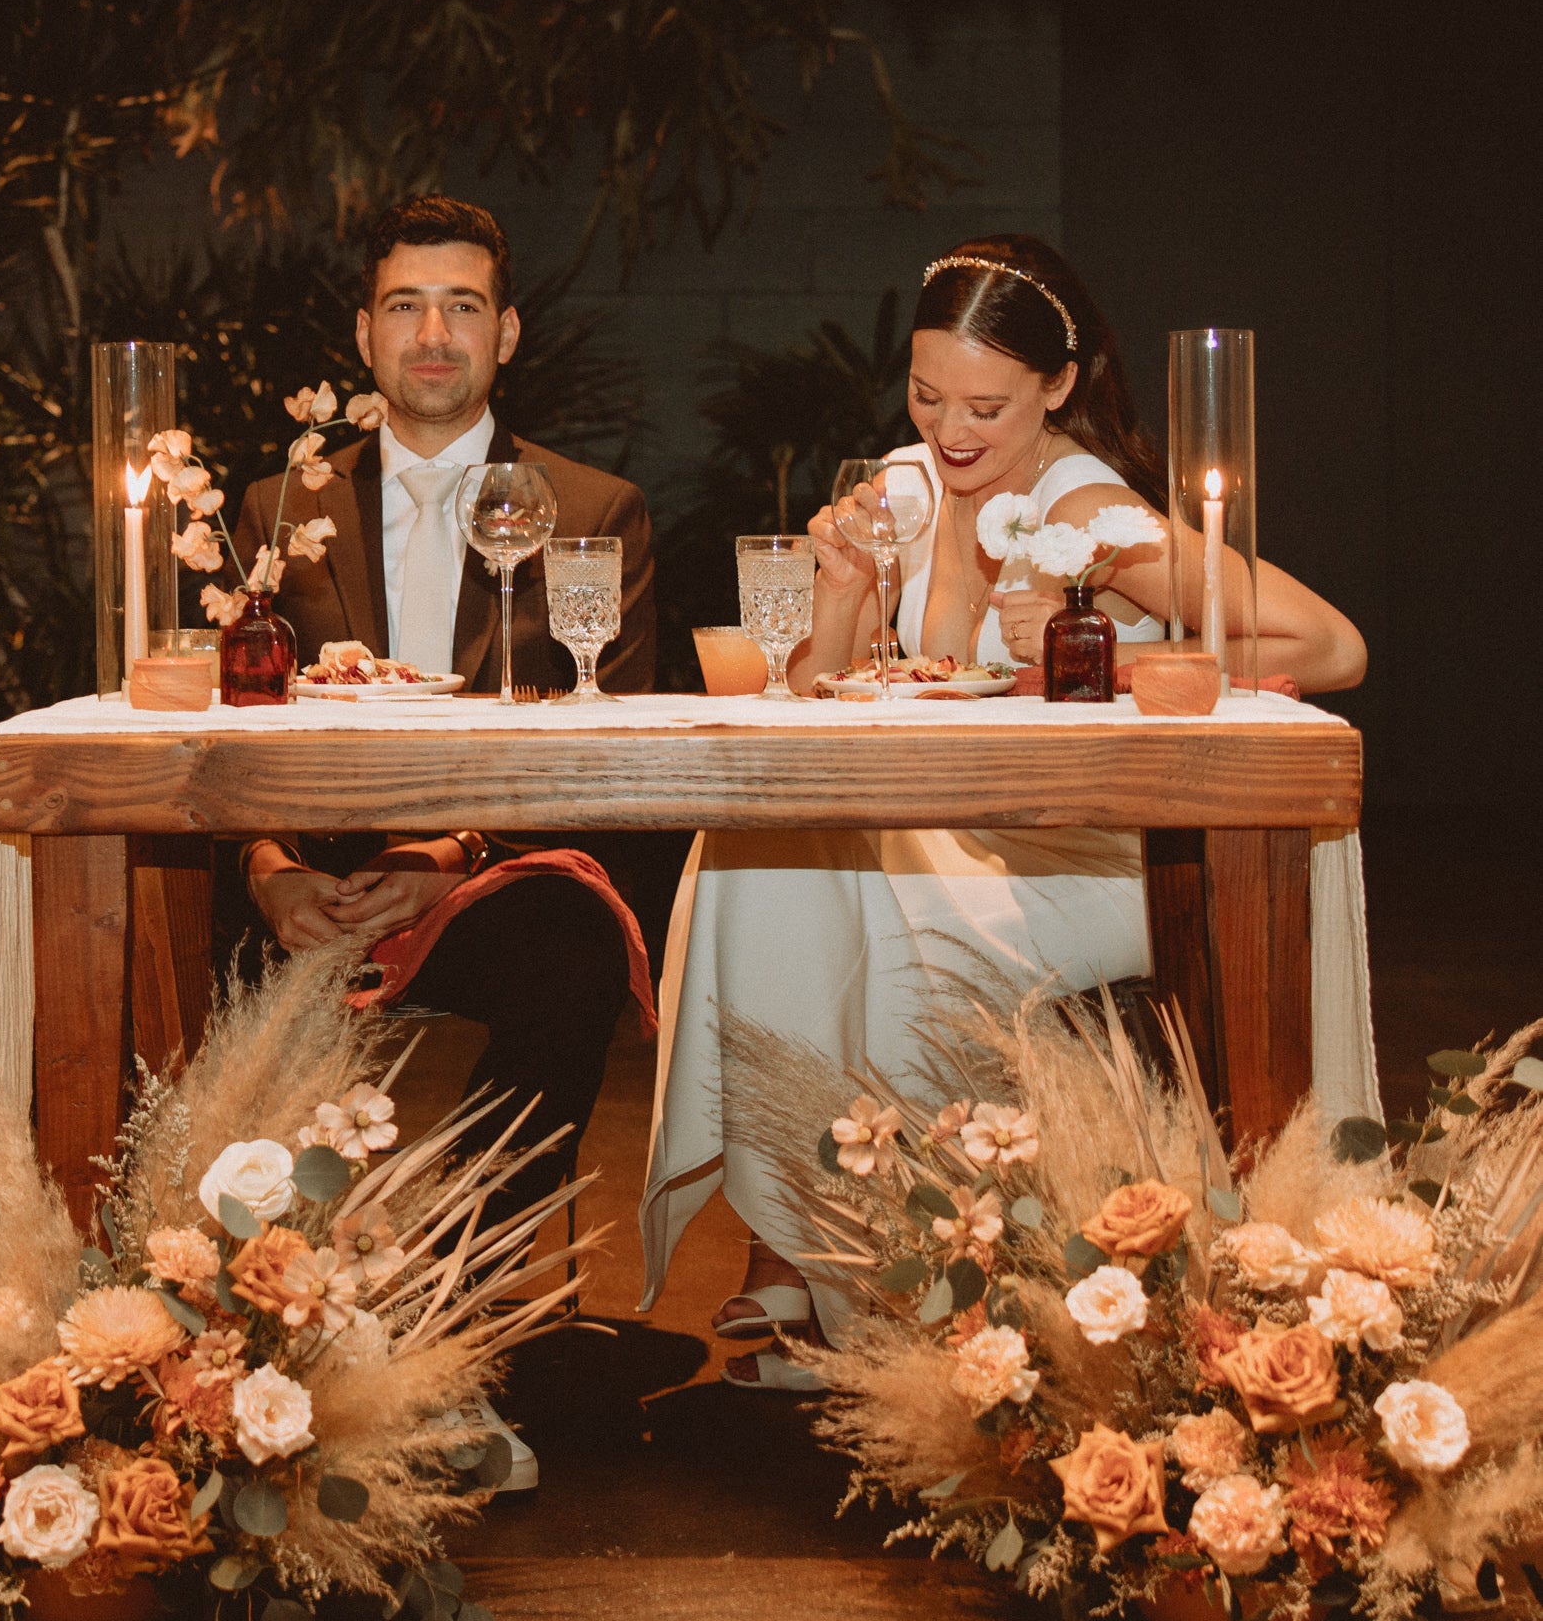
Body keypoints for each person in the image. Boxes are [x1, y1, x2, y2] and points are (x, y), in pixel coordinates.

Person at [639, 237, 1368, 1387]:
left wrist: (1100, 657)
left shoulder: (1086, 513)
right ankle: (810, 1244)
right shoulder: (908, 486)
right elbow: (806, 700)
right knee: (759, 839)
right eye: (926, 396)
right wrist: (842, 593)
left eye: (983, 406)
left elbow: (1329, 644)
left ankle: (872, 1294)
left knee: (871, 911)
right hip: (952, 819)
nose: (950, 429)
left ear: (1057, 386)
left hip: (1082, 854)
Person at [237, 194, 658, 1489]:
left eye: (462, 306)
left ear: (506, 332)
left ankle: (428, 1330)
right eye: (406, 307)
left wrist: (446, 855)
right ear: (364, 334)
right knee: (163, 947)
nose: (433, 334)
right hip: (311, 887)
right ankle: (215, 1351)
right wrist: (268, 872)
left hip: (489, 882)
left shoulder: (592, 510)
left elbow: (611, 756)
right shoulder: (275, 506)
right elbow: (226, 729)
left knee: (572, 951)